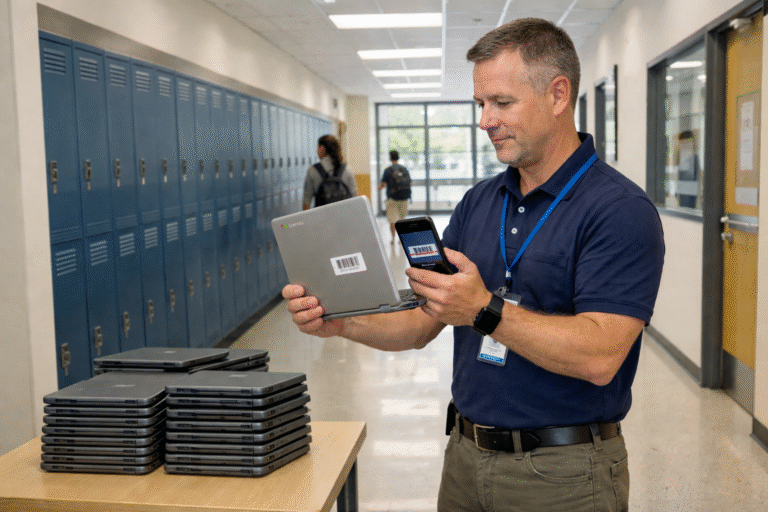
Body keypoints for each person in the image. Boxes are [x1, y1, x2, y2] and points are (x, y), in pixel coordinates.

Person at [284, 17, 664, 512]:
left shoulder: (618, 211)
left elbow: (600, 356)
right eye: (480, 104)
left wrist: (485, 310)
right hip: (465, 458)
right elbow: (421, 324)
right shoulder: (480, 202)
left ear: (558, 94)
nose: (484, 120)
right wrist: (341, 324)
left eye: (502, 103)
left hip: (565, 474)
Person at [302, 134, 357, 210]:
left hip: (322, 219)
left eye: (318, 147)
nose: (316, 150)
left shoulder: (312, 170)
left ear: (322, 149)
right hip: (344, 218)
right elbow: (355, 198)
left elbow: (306, 201)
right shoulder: (347, 170)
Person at [378, 150, 412, 243]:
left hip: (392, 198)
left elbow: (383, 184)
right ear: (398, 157)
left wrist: (380, 187)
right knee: (402, 220)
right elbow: (410, 183)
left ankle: (393, 239)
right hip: (404, 198)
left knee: (392, 220)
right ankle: (402, 240)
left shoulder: (388, 170)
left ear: (390, 158)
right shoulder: (404, 169)